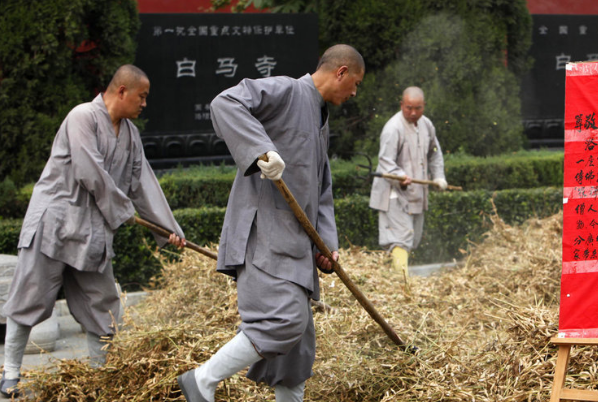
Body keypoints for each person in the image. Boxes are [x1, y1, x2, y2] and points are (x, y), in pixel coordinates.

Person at [177, 44, 365, 402]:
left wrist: (327, 246)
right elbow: (224, 103)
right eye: (354, 83)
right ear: (340, 72)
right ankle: (202, 380)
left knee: (297, 349)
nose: (354, 92)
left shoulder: (320, 118)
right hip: (263, 235)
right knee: (282, 322)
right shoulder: (287, 90)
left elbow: (321, 191)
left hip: (297, 245)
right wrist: (262, 150)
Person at [0, 65, 186, 398]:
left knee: (103, 306)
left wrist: (168, 230)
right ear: (122, 91)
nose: (145, 104)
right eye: (142, 96)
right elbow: (90, 171)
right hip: (55, 224)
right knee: (28, 297)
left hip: (93, 233)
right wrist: (122, 210)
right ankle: (10, 373)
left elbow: (144, 184)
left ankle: (101, 378)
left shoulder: (130, 135)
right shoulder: (81, 116)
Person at [369, 86, 447, 280]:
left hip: (417, 192)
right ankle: (402, 285)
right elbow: (386, 162)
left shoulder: (427, 125)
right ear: (402, 105)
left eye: (418, 108)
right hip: (393, 193)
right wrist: (400, 176)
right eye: (409, 108)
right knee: (400, 239)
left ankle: (392, 277)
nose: (413, 112)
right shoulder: (392, 128)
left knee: (413, 238)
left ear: (424, 106)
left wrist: (439, 176)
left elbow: (435, 153)